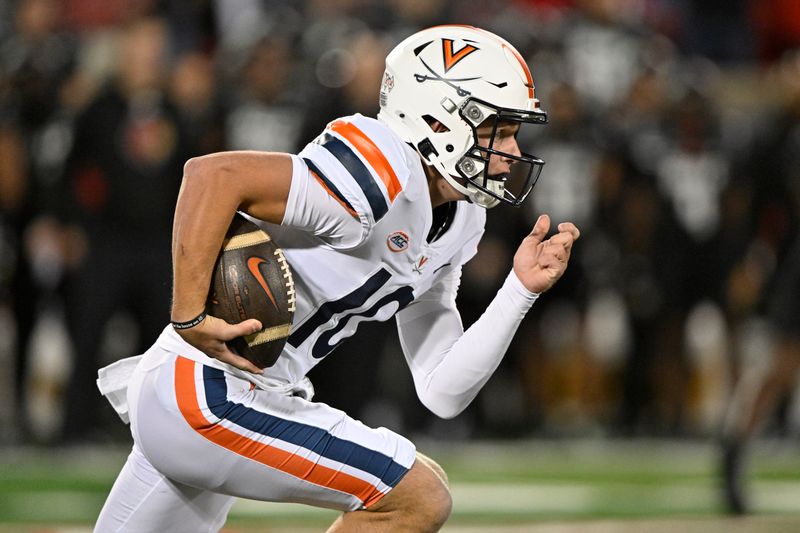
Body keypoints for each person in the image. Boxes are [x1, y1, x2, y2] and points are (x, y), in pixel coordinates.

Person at [94, 25, 580, 532]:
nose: (512, 151)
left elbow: (442, 390)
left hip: (248, 393)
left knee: (419, 487)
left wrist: (519, 290)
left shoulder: (462, 219)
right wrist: (189, 313)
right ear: (440, 119)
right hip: (208, 389)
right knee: (418, 497)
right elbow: (213, 177)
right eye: (499, 131)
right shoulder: (381, 166)